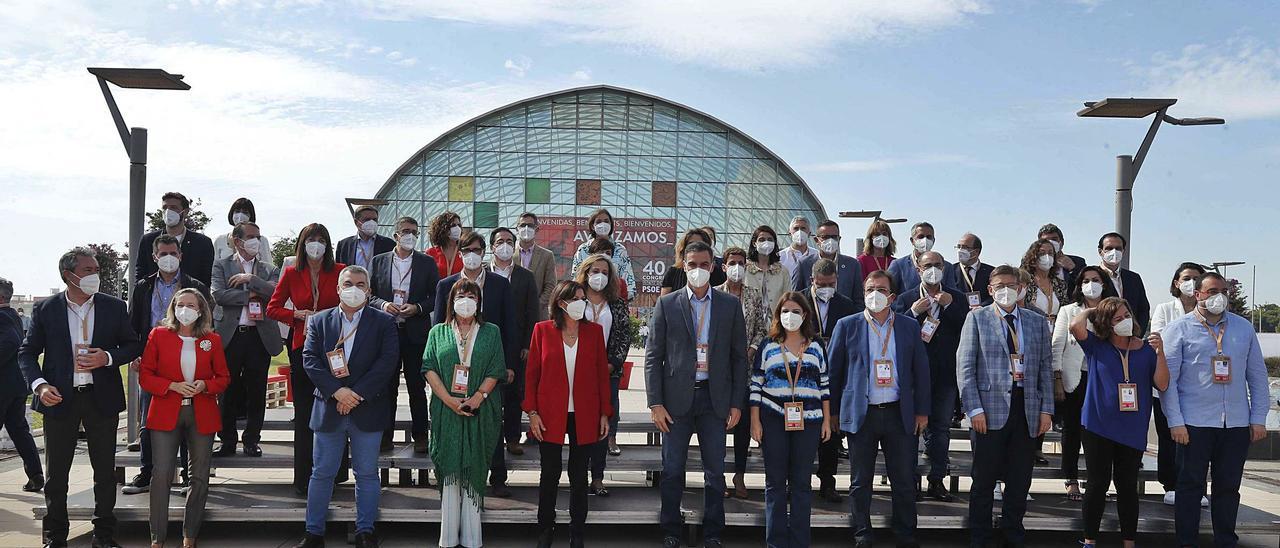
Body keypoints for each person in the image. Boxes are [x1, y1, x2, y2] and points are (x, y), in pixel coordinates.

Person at [19, 247, 144, 548]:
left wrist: (108, 358)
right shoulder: (46, 309)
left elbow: (132, 345)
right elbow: (26, 353)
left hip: (101, 398)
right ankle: (55, 536)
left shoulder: (113, 307)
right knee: (56, 474)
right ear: (69, 275)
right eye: (88, 270)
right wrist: (40, 385)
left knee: (104, 472)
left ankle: (103, 535)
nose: (95, 275)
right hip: (60, 399)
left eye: (96, 269)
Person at [645, 241, 748, 548]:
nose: (699, 270)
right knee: (673, 469)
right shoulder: (668, 303)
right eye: (693, 265)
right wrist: (655, 402)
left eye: (704, 265)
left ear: (713, 267)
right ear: (684, 267)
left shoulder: (729, 305)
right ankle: (671, 530)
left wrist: (736, 402)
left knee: (715, 472)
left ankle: (714, 532)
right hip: (676, 402)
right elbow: (653, 355)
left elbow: (739, 357)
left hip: (714, 400)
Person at [1160, 272, 1269, 548]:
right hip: (1194, 423)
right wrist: (1175, 422)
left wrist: (1258, 418)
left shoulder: (1243, 328)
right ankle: (1187, 542)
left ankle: (1225, 541)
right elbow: (1167, 383)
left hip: (1234, 424)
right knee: (1189, 487)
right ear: (1197, 294)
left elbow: (1257, 377)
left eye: (1223, 290)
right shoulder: (1178, 329)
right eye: (1211, 291)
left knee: (1228, 489)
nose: (1218, 296)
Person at [293, 266, 399, 548]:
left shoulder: (384, 322)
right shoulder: (318, 321)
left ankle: (365, 530)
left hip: (368, 408)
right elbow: (311, 360)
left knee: (366, 473)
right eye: (348, 283)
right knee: (322, 472)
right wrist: (338, 392)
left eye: (361, 284)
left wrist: (356, 394)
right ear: (338, 289)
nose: (354, 288)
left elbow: (387, 363)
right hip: (329, 407)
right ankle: (313, 532)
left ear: (369, 290)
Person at [829, 271, 930, 548]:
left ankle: (905, 533)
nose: (875, 294)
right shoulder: (847, 325)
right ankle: (862, 533)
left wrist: (922, 411)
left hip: (899, 413)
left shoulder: (909, 326)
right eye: (870, 289)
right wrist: (834, 412)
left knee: (904, 480)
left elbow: (920, 371)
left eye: (881, 289)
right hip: (863, 414)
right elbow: (834, 372)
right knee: (861, 481)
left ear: (892, 296)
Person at [956, 264, 1054, 548]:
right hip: (989, 409)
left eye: (1012, 285)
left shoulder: (1036, 321)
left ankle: (1013, 533)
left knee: (1020, 479)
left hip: (1028, 409)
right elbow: (965, 368)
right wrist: (973, 409)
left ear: (1021, 288)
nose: (1006, 291)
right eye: (1000, 286)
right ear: (990, 290)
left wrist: (1047, 409)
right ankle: (980, 536)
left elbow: (1046, 368)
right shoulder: (976, 318)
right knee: (984, 480)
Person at [1070, 297, 1169, 548]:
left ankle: (1129, 542)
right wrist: (1094, 309)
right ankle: (1090, 539)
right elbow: (1075, 327)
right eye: (1117, 318)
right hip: (1097, 425)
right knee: (1097, 483)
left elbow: (1163, 383)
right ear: (1106, 324)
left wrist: (1161, 353)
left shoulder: (1148, 349)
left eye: (1127, 315)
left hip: (1132, 429)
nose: (1125, 321)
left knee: (1126, 486)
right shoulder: (1096, 346)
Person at [138, 288, 231, 548]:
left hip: (201, 411)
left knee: (199, 475)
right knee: (162, 473)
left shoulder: (211, 339)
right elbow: (145, 375)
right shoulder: (158, 335)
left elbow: (223, 378)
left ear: (200, 310)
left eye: (191, 305)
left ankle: (190, 535)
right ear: (174, 308)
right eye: (181, 304)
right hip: (166, 410)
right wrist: (171, 386)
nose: (185, 309)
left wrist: (205, 385)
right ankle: (157, 537)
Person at [526, 281, 613, 548]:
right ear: (561, 303)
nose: (580, 303)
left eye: (582, 298)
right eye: (575, 298)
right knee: (549, 475)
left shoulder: (594, 332)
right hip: (550, 413)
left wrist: (604, 413)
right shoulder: (542, 331)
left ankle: (577, 533)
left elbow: (601, 376)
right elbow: (532, 375)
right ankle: (545, 530)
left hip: (584, 414)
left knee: (579, 478)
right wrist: (532, 412)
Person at [432, 231, 519, 497]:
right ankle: (456, 473)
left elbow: (510, 327)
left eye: (477, 249)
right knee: (458, 420)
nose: (472, 254)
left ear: (484, 253)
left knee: (490, 420)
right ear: (460, 253)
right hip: (452, 370)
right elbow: (438, 326)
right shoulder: (446, 285)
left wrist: (509, 364)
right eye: (466, 249)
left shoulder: (500, 284)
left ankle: (498, 476)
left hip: (488, 367)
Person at [125, 235, 211, 494]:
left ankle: (187, 475)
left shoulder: (194, 286)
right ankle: (146, 472)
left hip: (187, 358)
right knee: (148, 420)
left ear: (181, 255)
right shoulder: (142, 287)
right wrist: (134, 354)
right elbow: (133, 325)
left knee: (187, 417)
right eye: (163, 253)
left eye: (173, 252)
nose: (168, 257)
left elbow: (206, 324)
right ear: (154, 257)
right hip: (152, 360)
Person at [423, 279, 505, 548]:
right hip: (447, 412)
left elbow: (496, 369)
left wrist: (477, 398)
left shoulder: (491, 331)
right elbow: (429, 368)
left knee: (474, 471)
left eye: (472, 295)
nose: (466, 299)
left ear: (479, 301)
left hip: (480, 411)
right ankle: (448, 538)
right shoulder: (437, 331)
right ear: (452, 300)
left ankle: (472, 538)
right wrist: (449, 400)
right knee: (450, 470)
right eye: (461, 295)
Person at [266, 224, 346, 496]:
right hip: (302, 348)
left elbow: (351, 304)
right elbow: (273, 308)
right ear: (302, 243)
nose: (316, 244)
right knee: (304, 414)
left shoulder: (339, 271)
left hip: (335, 349)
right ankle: (303, 478)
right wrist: (296, 315)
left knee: (335, 410)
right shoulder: (291, 273)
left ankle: (335, 474)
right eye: (311, 239)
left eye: (321, 239)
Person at [749, 291, 831, 548]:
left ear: (805, 315)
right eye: (785, 311)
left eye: (796, 311)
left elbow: (825, 386)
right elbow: (755, 385)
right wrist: (755, 421)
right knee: (774, 484)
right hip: (773, 419)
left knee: (801, 484)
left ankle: (799, 542)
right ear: (778, 315)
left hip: (809, 421)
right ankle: (775, 543)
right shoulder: (768, 345)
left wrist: (827, 421)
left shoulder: (816, 346)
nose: (790, 316)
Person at [893, 251, 967, 502]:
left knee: (940, 429)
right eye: (928, 266)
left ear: (944, 268)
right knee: (911, 429)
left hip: (946, 374)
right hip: (914, 376)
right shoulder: (906, 299)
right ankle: (911, 481)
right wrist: (912, 313)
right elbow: (894, 332)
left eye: (937, 265)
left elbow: (967, 328)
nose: (932, 269)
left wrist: (949, 306)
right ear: (918, 270)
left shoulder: (956, 298)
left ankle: (937, 480)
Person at [211, 222, 282, 459]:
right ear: (237, 241)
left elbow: (274, 292)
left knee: (256, 390)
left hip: (258, 336)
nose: (256, 241)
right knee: (227, 390)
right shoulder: (221, 265)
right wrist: (251, 294)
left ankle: (252, 439)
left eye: (258, 237)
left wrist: (250, 278)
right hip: (230, 336)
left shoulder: (268, 268)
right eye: (251, 237)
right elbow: (220, 295)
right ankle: (227, 440)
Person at [368, 217, 439, 453]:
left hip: (415, 332)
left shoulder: (426, 263)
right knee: (386, 386)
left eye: (415, 232)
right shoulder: (379, 262)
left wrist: (417, 308)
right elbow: (370, 295)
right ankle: (385, 436)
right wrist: (384, 305)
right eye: (406, 232)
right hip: (387, 332)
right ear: (396, 235)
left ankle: (420, 436)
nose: (410, 236)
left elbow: (435, 296)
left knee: (416, 387)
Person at [1049, 266, 1116, 501]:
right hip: (1074, 378)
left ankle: (1097, 481)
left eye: (1096, 280)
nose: (1091, 284)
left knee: (1101, 433)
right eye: (1086, 280)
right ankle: (1071, 478)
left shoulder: (1114, 309)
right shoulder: (1069, 310)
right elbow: (1057, 345)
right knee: (1072, 430)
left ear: (1104, 284)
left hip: (1103, 379)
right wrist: (1057, 378)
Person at [1149, 262, 1207, 506]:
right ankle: (1170, 484)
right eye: (1186, 277)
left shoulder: (1208, 311)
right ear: (1176, 282)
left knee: (1199, 440)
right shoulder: (1164, 309)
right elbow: (1160, 341)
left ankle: (1198, 487)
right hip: (1167, 381)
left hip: (1198, 387)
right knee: (1168, 436)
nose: (1191, 282)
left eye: (1196, 278)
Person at [802, 258, 859, 503]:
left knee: (831, 433)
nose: (827, 288)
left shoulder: (845, 305)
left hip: (834, 375)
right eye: (822, 283)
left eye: (831, 283)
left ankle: (828, 482)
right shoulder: (798, 300)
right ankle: (799, 482)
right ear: (812, 280)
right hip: (803, 375)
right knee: (801, 434)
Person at [574, 254, 632, 494]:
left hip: (607, 374)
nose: (599, 276)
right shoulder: (575, 299)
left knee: (602, 424)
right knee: (577, 426)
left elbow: (623, 337)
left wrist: (611, 363)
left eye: (605, 272)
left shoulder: (617, 304)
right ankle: (577, 475)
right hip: (576, 373)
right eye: (595, 270)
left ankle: (597, 477)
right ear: (586, 273)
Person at [718, 247, 769, 500]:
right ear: (724, 266)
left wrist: (751, 349)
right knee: (717, 423)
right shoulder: (715, 294)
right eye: (732, 263)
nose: (736, 267)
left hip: (746, 369)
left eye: (740, 263)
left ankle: (739, 473)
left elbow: (762, 328)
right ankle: (717, 475)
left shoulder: (753, 295)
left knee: (743, 423)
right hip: (719, 369)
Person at [488, 227, 540, 457]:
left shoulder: (525, 276)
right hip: (487, 341)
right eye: (501, 241)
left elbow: (532, 313)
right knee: (489, 394)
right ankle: (491, 439)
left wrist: (528, 344)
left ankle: (512, 438)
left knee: (513, 394)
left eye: (510, 241)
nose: (505, 245)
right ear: (492, 247)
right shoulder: (481, 274)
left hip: (516, 344)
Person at [1020, 238, 1070, 466]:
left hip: (1056, 338)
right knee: (1034, 388)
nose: (1047, 256)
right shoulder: (1025, 280)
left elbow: (1067, 309)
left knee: (1048, 389)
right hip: (1032, 338)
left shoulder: (1059, 284)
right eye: (1042, 252)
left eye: (1051, 252)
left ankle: (1039, 445)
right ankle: (1028, 444)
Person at [0, 278, 42, 493]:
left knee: (18, 429)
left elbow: (9, 343)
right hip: (16, 384)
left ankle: (36, 474)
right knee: (18, 429)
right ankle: (35, 474)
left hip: (4, 386)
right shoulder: (13, 316)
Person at [137, 192, 215, 287]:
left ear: (185, 212)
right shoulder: (148, 240)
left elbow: (205, 279)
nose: (168, 211)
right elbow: (140, 274)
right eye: (165, 208)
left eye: (174, 208)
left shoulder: (202, 243)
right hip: (156, 297)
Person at [570, 208, 637, 298]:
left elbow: (627, 276)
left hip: (614, 297)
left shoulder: (620, 250)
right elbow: (576, 276)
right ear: (593, 226)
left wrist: (626, 297)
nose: (603, 224)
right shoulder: (583, 249)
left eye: (606, 221)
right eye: (598, 221)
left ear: (611, 225)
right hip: (588, 297)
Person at [792, 219, 862, 300]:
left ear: (839, 239)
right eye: (825, 237)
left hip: (846, 312)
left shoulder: (852, 264)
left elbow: (858, 299)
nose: (830, 241)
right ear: (816, 240)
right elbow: (796, 297)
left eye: (834, 237)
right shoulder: (803, 264)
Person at [1097, 232, 1150, 333]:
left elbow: (1143, 309)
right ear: (1100, 251)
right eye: (1109, 248)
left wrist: (1137, 335)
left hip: (1130, 339)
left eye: (1118, 248)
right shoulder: (1092, 276)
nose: (1114, 252)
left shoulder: (1134, 278)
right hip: (1103, 338)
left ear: (1123, 251)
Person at [515, 212, 559, 320]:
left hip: (538, 314)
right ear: (517, 229)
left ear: (537, 229)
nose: (526, 228)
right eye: (522, 225)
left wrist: (535, 305)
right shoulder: (509, 255)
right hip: (513, 313)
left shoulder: (547, 255)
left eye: (530, 226)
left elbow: (550, 285)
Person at [659, 228, 726, 296]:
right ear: (684, 248)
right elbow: (665, 300)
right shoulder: (673, 272)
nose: (695, 247)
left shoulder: (717, 272)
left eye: (700, 244)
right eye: (691, 244)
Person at [887, 221, 949, 294]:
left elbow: (954, 295)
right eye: (921, 237)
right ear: (912, 240)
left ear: (933, 240)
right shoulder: (898, 265)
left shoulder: (947, 266)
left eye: (929, 237)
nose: (925, 240)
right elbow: (890, 294)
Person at [746, 225, 791, 321]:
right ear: (754, 243)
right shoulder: (745, 269)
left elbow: (787, 298)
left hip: (775, 321)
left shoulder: (782, 271)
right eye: (762, 239)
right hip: (749, 321)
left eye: (770, 239)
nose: (766, 242)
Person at [336, 206, 396, 272]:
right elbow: (339, 271)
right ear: (356, 222)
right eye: (367, 219)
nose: (371, 223)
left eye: (374, 220)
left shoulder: (389, 244)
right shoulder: (344, 245)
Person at [213, 198, 273, 264]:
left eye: (245, 212)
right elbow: (215, 267)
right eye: (237, 211)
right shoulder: (220, 240)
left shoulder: (261, 240)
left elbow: (268, 267)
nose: (240, 215)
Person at [945, 232, 994, 308]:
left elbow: (994, 295)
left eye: (965, 247)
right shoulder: (950, 270)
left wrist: (982, 307)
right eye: (959, 247)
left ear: (976, 251)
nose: (960, 250)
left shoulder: (991, 272)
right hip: (958, 315)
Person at [1036, 223, 1086, 288]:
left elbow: (1084, 285)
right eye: (1046, 240)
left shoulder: (1078, 262)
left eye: (1054, 239)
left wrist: (1073, 269)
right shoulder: (1032, 262)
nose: (1050, 243)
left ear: (1061, 242)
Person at [425, 211, 465, 279]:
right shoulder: (430, 253)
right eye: (453, 225)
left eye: (459, 225)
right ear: (443, 228)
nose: (457, 228)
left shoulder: (464, 251)